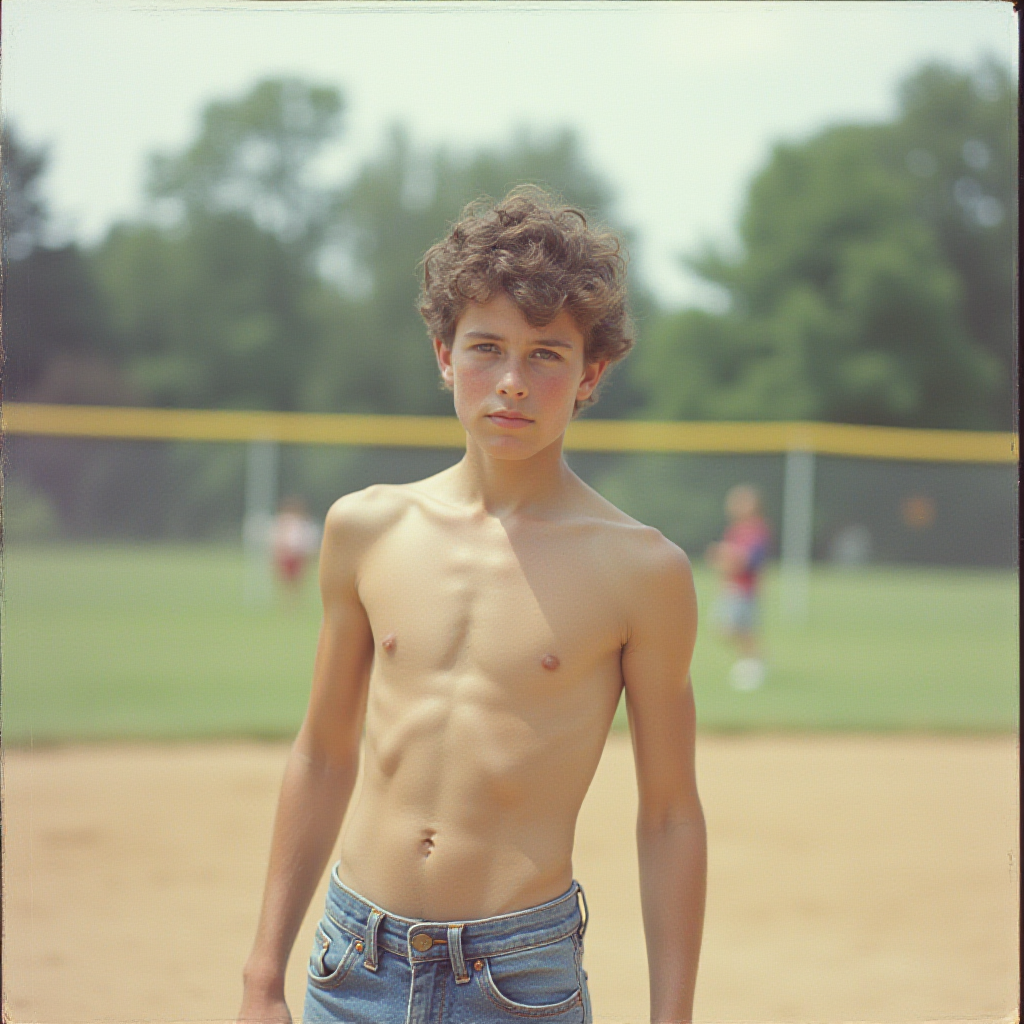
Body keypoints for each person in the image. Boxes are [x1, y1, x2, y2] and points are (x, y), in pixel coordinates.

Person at [237, 187, 706, 1024]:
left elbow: (669, 814)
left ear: (592, 373)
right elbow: (322, 754)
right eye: (487, 347)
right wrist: (262, 977)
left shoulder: (643, 571)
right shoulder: (365, 529)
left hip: (519, 980)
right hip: (352, 965)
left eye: (547, 355)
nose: (513, 384)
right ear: (444, 355)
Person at [706, 484, 771, 691]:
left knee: (738, 629)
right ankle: (752, 660)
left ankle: (754, 663)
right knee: (728, 630)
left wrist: (726, 556)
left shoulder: (757, 529)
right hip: (730, 588)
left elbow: (749, 560)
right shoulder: (734, 530)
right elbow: (726, 563)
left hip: (745, 589)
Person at [271, 497, 321, 600]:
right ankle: (287, 598)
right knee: (286, 579)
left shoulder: (303, 522)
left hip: (299, 554)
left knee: (298, 579)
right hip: (287, 553)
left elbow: (307, 539)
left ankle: (294, 599)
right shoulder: (284, 521)